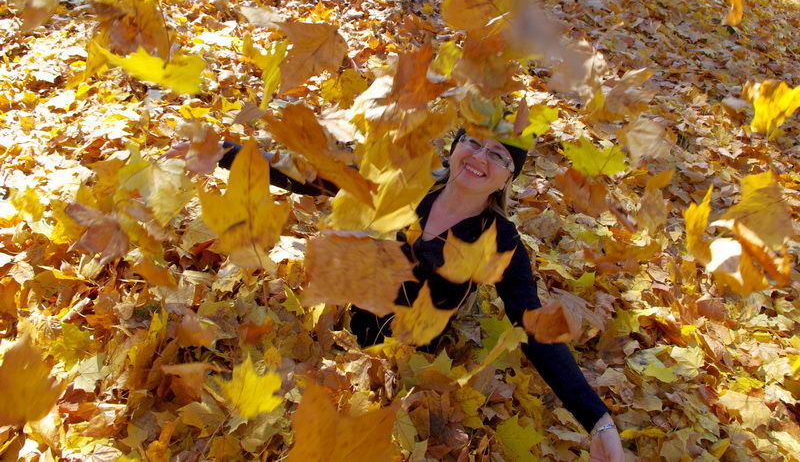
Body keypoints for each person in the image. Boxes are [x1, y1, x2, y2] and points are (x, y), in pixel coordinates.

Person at [170, 128, 624, 461]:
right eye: (474, 142)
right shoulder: (411, 184)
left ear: (508, 177)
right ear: (456, 145)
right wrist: (223, 153)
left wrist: (598, 421)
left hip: (406, 360)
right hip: (343, 333)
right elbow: (315, 175)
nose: (479, 157)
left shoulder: (499, 240)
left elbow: (535, 328)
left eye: (498, 155)